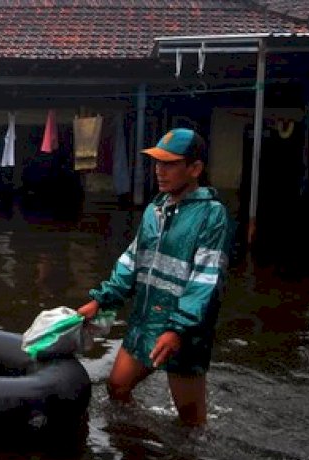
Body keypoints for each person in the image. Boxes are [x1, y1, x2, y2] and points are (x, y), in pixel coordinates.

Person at [77, 127, 233, 427]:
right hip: (146, 319)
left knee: (191, 423)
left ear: (195, 168)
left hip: (185, 331)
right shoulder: (155, 209)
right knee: (117, 389)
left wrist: (178, 330)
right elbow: (131, 261)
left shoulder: (213, 216)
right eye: (157, 163)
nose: (160, 171)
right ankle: (143, 444)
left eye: (170, 164)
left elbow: (206, 280)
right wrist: (100, 301)